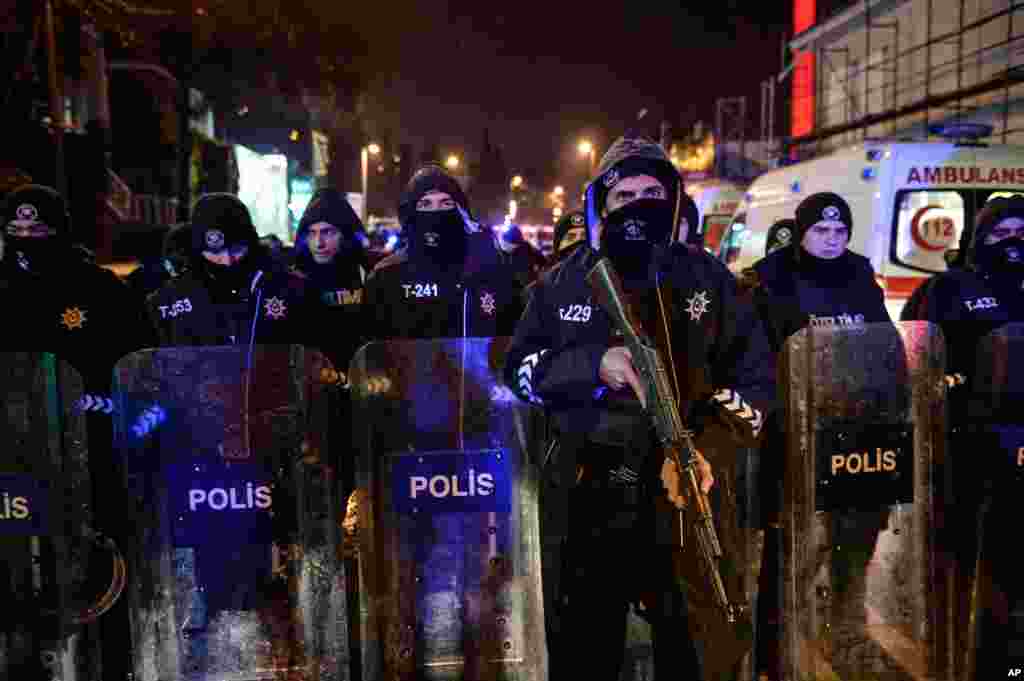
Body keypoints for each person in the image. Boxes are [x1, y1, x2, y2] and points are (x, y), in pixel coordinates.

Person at [504, 134, 775, 680]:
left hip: (684, 495)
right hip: (587, 496)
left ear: (674, 199)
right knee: (584, 647)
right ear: (600, 204)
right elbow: (519, 371)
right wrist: (592, 366)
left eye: (653, 190)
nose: (638, 205)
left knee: (695, 647)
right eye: (624, 194)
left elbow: (754, 382)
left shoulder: (707, 280)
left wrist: (705, 451)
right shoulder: (560, 283)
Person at [737, 193, 894, 681]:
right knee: (792, 550)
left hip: (855, 430)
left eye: (839, 232)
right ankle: (775, 648)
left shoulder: (859, 274)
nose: (831, 241)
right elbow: (755, 355)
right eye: (821, 232)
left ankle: (845, 632)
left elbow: (884, 339)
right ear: (802, 232)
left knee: (853, 543)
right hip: (794, 433)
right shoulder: (771, 279)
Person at [0, 183, 152, 681]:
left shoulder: (102, 291)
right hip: (14, 464)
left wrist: (126, 419)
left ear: (60, 231)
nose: (26, 238)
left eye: (37, 230)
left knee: (99, 584)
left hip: (93, 461)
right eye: (16, 230)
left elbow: (145, 376)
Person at [902, 195, 1024, 678]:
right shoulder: (948, 289)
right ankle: (955, 659)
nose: (1013, 241)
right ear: (980, 239)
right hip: (964, 454)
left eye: (1022, 230)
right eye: (1001, 233)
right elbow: (911, 357)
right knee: (960, 571)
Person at [361, 164, 526, 340]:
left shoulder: (488, 268)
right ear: (411, 213)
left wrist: (483, 249)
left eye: (446, 203)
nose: (436, 211)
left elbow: (515, 331)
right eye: (425, 204)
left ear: (461, 211)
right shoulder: (387, 275)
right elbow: (372, 350)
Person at [147, 193, 317, 348]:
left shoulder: (289, 288)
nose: (228, 261)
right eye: (215, 252)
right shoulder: (169, 300)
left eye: (236, 249)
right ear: (199, 249)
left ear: (251, 244)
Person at [291, 187, 368, 373]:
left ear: (345, 235)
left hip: (360, 381)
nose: (319, 243)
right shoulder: (291, 282)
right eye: (312, 233)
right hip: (310, 383)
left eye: (328, 232)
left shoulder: (368, 275)